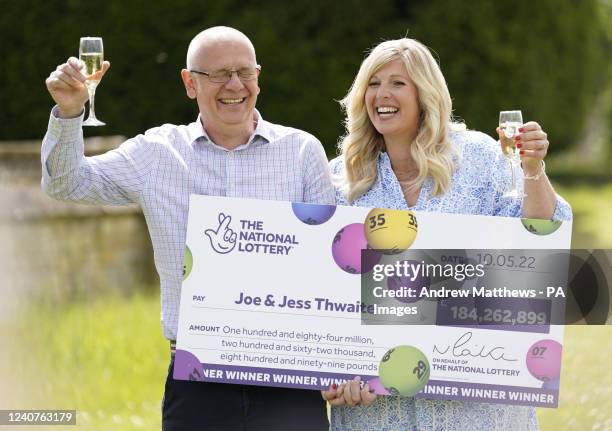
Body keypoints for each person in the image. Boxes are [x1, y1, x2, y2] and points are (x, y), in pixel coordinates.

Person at [43, 26, 333, 431]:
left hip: (287, 376)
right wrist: (70, 113)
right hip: (199, 381)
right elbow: (65, 183)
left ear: (258, 78)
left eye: (244, 72)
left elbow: (329, 267)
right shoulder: (157, 154)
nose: (234, 85)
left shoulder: (302, 151)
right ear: (189, 83)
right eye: (217, 74)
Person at [321, 38, 571, 430]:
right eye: (373, 83)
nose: (382, 95)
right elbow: (320, 291)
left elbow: (539, 239)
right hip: (380, 413)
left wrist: (533, 169)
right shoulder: (341, 176)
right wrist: (333, 377)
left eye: (398, 84)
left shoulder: (479, 156)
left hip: (477, 409)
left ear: (426, 93)